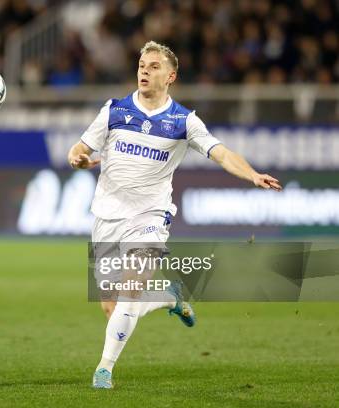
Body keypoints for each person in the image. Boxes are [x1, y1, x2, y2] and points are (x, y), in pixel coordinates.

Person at [67, 41, 282, 389]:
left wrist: (253, 174)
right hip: (107, 216)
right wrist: (76, 158)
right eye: (141, 65)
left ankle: (104, 369)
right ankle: (168, 295)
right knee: (111, 308)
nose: (144, 72)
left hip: (150, 216)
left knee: (131, 292)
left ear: (171, 76)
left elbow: (222, 153)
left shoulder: (184, 121)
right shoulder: (114, 111)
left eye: (153, 67)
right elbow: (80, 148)